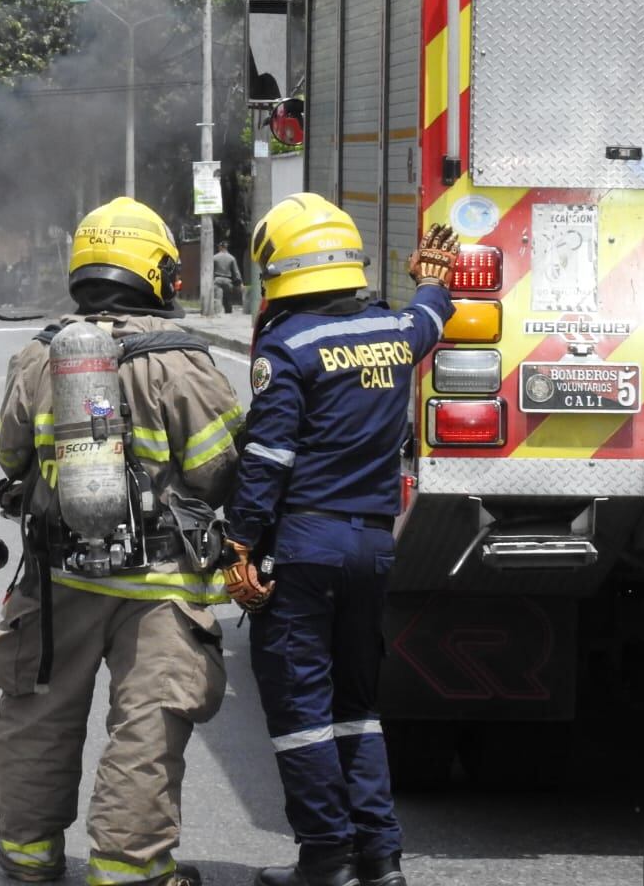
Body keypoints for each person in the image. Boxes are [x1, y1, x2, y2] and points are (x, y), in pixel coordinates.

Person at [0, 196, 246, 886]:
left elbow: (8, 455)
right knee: (146, 725)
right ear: (155, 272)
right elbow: (218, 466)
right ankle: (127, 868)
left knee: (36, 710)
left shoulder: (38, 356)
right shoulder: (180, 362)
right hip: (157, 585)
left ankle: (28, 855)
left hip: (56, 572)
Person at [222, 194, 458, 886]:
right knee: (356, 708)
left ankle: (324, 857)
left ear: (280, 271)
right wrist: (430, 280)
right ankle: (379, 858)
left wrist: (239, 544)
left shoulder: (287, 347)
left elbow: (268, 459)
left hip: (304, 546)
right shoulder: (393, 330)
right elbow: (427, 318)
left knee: (300, 712)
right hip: (371, 548)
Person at [212, 239, 243, 314]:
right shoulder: (231, 258)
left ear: (220, 247)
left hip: (217, 280)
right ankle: (228, 313)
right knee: (228, 299)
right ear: (226, 247)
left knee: (217, 298)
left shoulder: (215, 257)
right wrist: (240, 282)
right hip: (227, 281)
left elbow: (210, 270)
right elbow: (236, 272)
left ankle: (217, 313)